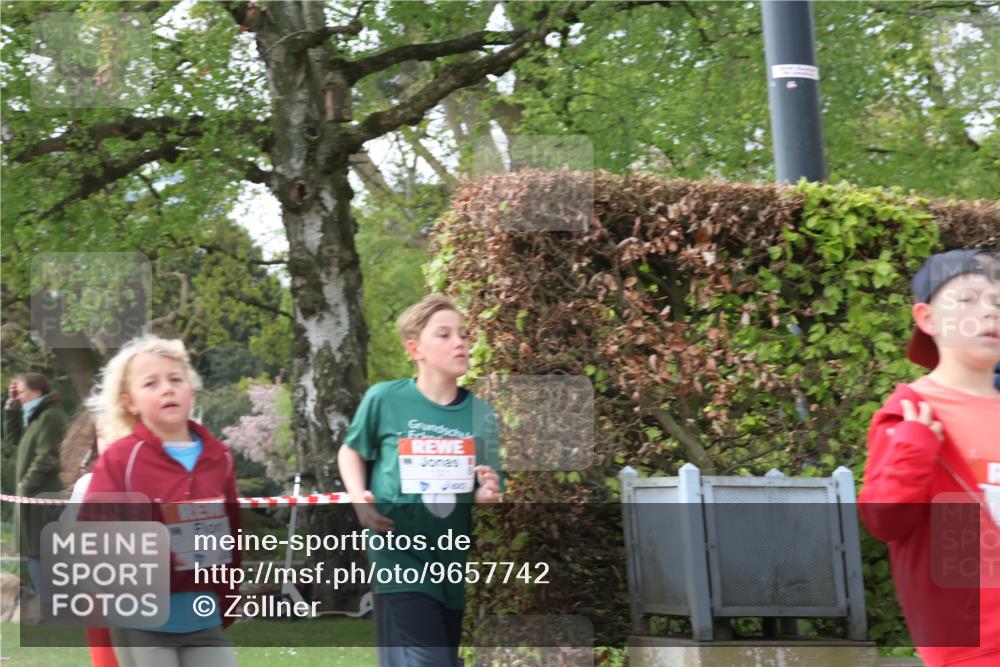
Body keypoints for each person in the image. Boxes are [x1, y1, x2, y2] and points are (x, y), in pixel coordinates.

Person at [338, 294, 503, 667]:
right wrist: (359, 500)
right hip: (396, 554)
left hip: (448, 562)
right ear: (415, 349)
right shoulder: (385, 398)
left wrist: (489, 490)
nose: (460, 342)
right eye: (444, 335)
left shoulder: (481, 414)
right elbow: (351, 451)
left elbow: (489, 489)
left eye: (463, 334)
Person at [859, 249, 1000, 666]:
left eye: (998, 302)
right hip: (970, 647)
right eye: (968, 299)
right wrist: (914, 447)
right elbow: (884, 520)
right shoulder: (911, 415)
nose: (989, 312)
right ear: (927, 318)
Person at [82, 335, 241, 667]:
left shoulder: (220, 457)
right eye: (151, 384)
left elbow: (233, 532)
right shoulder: (119, 460)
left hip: (204, 612)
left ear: (192, 390)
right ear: (129, 402)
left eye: (175, 379)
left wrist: (228, 595)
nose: (167, 389)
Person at [58, 408, 120, 667]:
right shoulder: (88, 484)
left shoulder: (155, 479)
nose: (111, 440)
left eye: (118, 431)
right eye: (103, 435)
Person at [2, 372, 68, 601]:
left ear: (37, 392)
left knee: (43, 554)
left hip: (42, 497)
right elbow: (13, 446)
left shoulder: (50, 417)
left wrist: (25, 485)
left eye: (20, 391)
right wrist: (11, 408)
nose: (17, 395)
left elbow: (48, 457)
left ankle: (53, 605)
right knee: (35, 554)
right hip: (32, 496)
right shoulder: (35, 418)